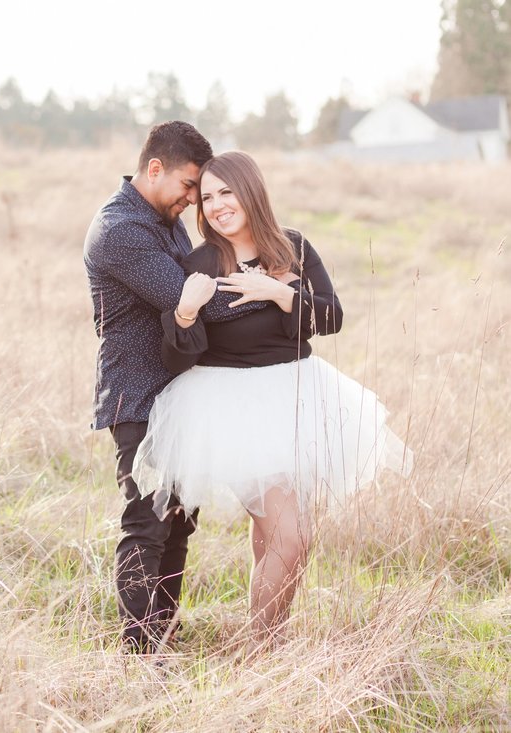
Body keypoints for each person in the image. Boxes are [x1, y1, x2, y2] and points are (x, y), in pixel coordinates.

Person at [132, 150, 413, 642]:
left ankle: (268, 642)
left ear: (252, 192)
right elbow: (177, 358)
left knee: (272, 535)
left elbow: (331, 317)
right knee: (293, 534)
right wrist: (184, 313)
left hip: (298, 395)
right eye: (209, 196)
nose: (218, 206)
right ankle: (260, 649)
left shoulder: (294, 247)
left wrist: (278, 292)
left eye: (228, 192)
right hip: (233, 408)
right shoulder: (198, 264)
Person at [83, 123, 269, 653]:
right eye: (190, 186)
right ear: (155, 169)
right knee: (147, 524)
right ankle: (138, 654)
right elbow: (196, 299)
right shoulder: (120, 230)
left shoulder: (165, 220)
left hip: (181, 392)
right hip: (138, 395)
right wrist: (276, 291)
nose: (195, 200)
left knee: (180, 522)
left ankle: (160, 632)